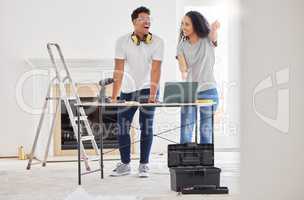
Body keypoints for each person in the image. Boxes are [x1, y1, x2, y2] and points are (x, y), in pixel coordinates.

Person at [110, 6, 164, 178]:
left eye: (149, 18)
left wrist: (153, 95)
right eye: (142, 18)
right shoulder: (122, 41)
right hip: (127, 89)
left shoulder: (157, 42)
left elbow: (156, 70)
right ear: (134, 22)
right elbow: (118, 70)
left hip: (149, 88)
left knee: (146, 126)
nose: (147, 21)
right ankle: (125, 164)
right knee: (122, 127)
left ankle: (144, 165)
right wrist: (114, 97)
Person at [176, 11, 220, 144]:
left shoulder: (207, 40)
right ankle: (184, 160)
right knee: (186, 128)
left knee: (206, 130)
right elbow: (183, 69)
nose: (183, 27)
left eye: (187, 24)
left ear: (195, 25)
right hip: (190, 90)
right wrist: (184, 74)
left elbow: (213, 35)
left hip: (209, 90)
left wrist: (214, 28)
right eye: (182, 24)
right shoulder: (181, 46)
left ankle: (205, 162)